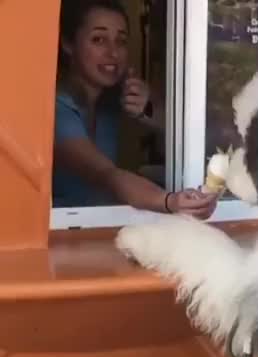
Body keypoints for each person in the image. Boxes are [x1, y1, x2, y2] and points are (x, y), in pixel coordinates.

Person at [53, 0, 216, 218]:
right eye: (98, 39)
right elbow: (106, 175)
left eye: (121, 41)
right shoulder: (57, 110)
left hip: (101, 226)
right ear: (68, 44)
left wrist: (148, 107)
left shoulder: (109, 102)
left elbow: (194, 136)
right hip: (60, 233)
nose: (113, 52)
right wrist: (169, 201)